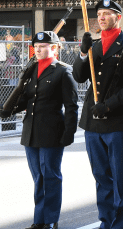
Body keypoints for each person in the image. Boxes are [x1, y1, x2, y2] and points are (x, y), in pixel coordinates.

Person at [72, 0, 123, 229]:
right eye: (99, 14)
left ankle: (120, 225)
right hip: (93, 123)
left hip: (118, 121)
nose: (101, 18)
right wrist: (83, 53)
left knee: (121, 179)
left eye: (107, 13)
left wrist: (109, 105)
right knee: (102, 178)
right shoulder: (93, 46)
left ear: (118, 17)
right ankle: (106, 222)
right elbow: (79, 76)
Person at [1, 31, 78, 229]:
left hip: (52, 131)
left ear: (54, 48)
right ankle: (39, 220)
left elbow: (71, 106)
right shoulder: (32, 69)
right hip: (31, 131)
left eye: (44, 46)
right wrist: (7, 110)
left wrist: (69, 132)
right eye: (36, 46)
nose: (39, 49)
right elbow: (27, 99)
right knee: (38, 178)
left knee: (50, 176)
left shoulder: (63, 71)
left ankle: (50, 220)